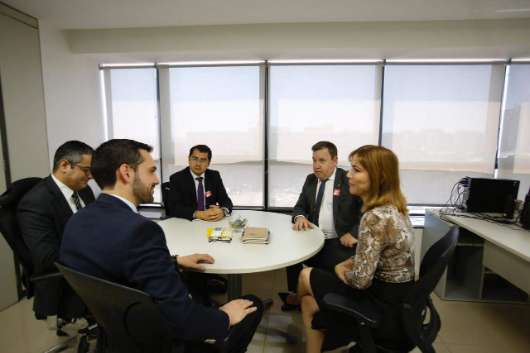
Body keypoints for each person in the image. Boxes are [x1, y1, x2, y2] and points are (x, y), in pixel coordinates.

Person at [60, 139, 262, 352]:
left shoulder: (77, 220)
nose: (157, 179)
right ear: (126, 172)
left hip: (115, 334)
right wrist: (224, 317)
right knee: (252, 303)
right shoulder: (142, 231)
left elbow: (116, 266)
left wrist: (176, 261)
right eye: (151, 171)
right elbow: (182, 319)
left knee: (194, 285)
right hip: (161, 341)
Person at [297, 145, 416, 353]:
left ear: (379, 176)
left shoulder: (374, 217)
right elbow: (376, 256)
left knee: (305, 276)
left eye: (357, 170)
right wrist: (350, 263)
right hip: (401, 302)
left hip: (379, 310)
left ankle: (336, 332)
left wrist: (339, 269)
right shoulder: (395, 208)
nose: (349, 175)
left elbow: (360, 280)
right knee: (309, 301)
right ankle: (332, 333)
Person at [279, 141, 362, 311]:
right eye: (314, 160)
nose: (316, 166)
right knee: (290, 254)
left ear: (335, 160)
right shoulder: (310, 180)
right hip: (313, 238)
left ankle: (314, 299)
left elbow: (366, 213)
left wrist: (354, 233)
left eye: (322, 161)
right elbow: (299, 206)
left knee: (330, 274)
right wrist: (300, 217)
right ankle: (296, 293)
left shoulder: (348, 180)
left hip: (338, 242)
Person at [17, 140, 94, 319]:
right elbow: (47, 257)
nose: (91, 176)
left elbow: (96, 225)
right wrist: (98, 254)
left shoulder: (83, 190)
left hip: (89, 264)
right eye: (86, 170)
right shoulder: (35, 203)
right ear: (65, 165)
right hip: (68, 276)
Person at [165, 144, 233, 221]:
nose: (198, 163)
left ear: (208, 163)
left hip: (210, 221)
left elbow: (226, 200)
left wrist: (223, 211)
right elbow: (173, 207)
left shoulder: (214, 176)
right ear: (189, 159)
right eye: (194, 159)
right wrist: (197, 214)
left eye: (203, 160)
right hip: (188, 223)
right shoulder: (177, 178)